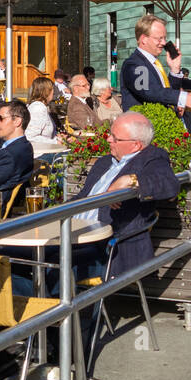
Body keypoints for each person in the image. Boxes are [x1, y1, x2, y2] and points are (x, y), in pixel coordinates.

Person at [72, 112, 179, 276]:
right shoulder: (105, 161)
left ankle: (63, 300)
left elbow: (169, 184)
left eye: (115, 138)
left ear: (136, 145)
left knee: (48, 268)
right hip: (73, 235)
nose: (108, 139)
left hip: (106, 247)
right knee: (21, 258)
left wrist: (131, 180)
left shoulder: (152, 158)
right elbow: (82, 197)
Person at [120, 13, 191, 131]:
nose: (164, 43)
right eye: (159, 38)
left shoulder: (154, 63)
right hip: (142, 131)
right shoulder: (134, 64)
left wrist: (175, 70)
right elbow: (149, 91)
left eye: (165, 38)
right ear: (143, 39)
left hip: (161, 127)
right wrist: (182, 97)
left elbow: (165, 93)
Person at [25, 76, 59, 145]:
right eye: (52, 89)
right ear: (46, 91)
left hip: (47, 149)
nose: (53, 92)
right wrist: (55, 142)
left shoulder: (42, 106)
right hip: (40, 152)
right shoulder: (38, 108)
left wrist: (58, 137)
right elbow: (30, 137)